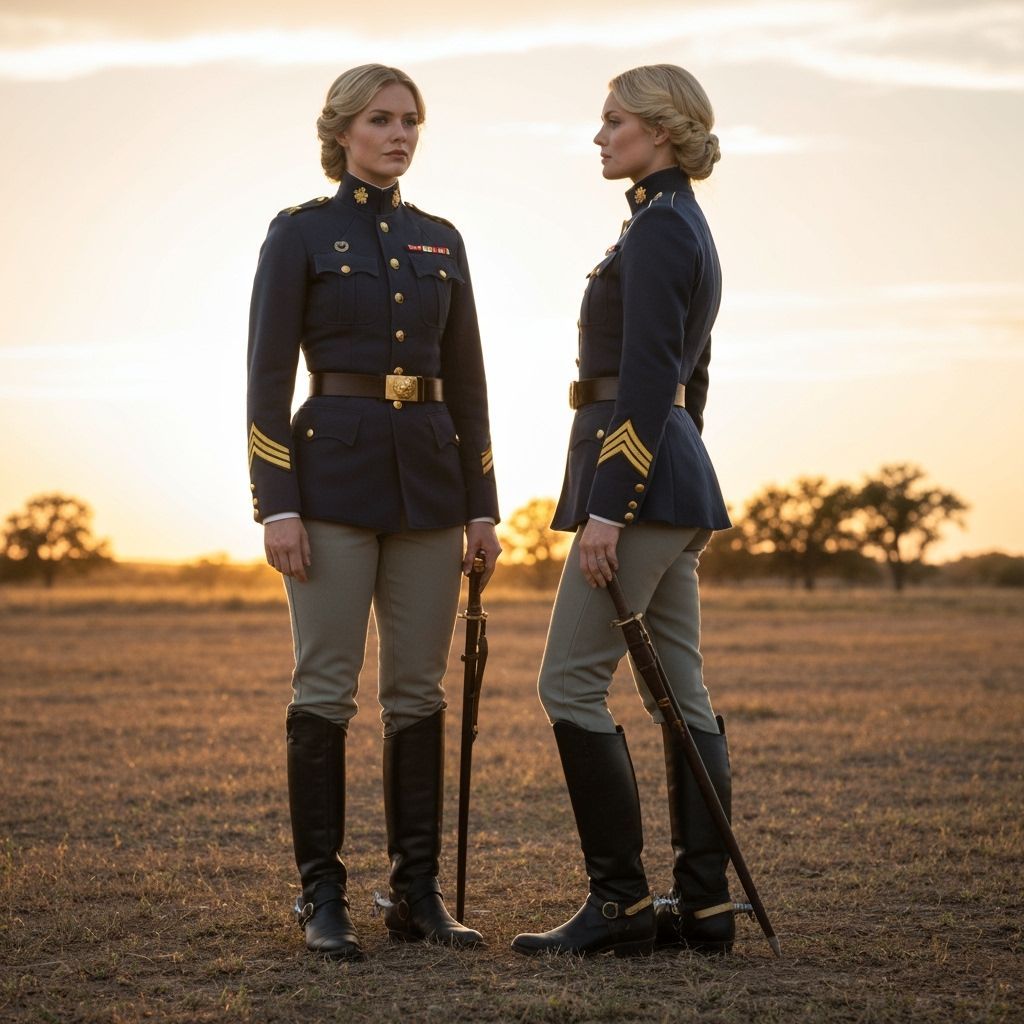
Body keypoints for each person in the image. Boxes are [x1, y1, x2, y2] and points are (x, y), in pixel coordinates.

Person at [246, 64, 501, 961]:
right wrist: (276, 503)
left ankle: (417, 895)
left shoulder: (442, 240)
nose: (399, 134)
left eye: (411, 121)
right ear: (343, 132)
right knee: (325, 687)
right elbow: (267, 379)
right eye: (382, 120)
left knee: (417, 693)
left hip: (431, 487)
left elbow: (467, 381)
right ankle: (321, 897)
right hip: (329, 487)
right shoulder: (300, 234)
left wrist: (483, 508)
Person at [511, 64, 735, 958]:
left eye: (614, 121)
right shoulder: (675, 223)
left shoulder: (657, 229)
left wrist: (615, 507)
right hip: (669, 482)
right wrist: (680, 484)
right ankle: (707, 911)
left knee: (567, 683)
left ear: (663, 132)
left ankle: (622, 907)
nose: (599, 137)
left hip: (636, 486)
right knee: (681, 693)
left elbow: (649, 380)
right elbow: (694, 380)